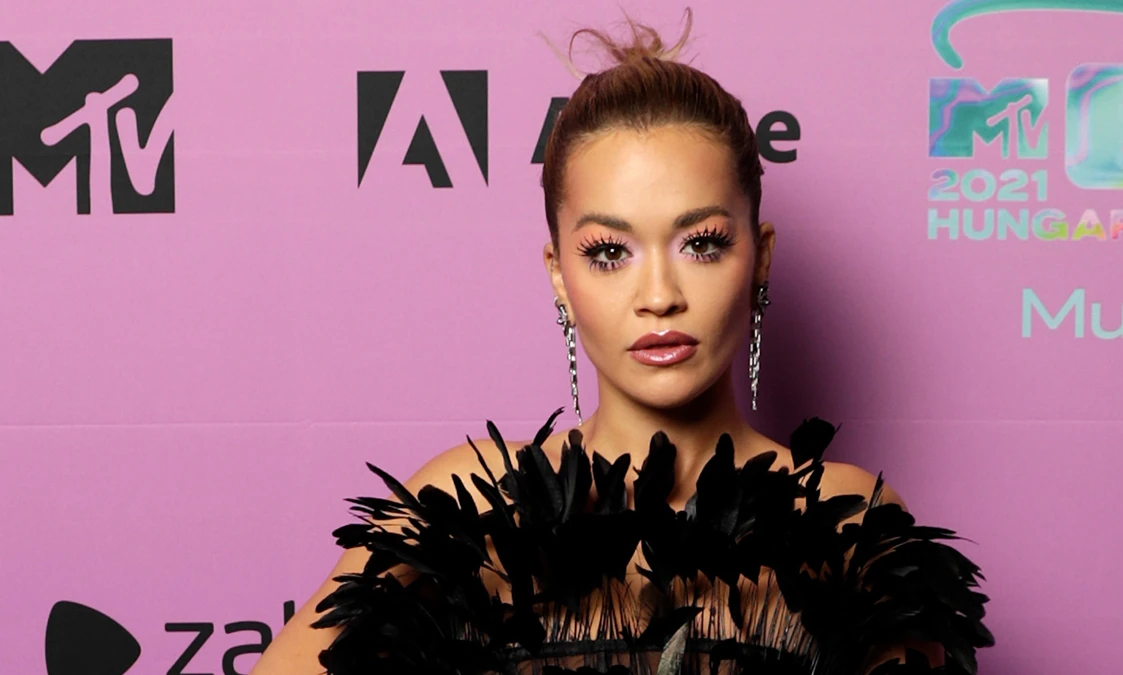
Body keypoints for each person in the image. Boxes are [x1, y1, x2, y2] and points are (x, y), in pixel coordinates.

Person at [250, 9, 994, 675]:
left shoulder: (851, 522)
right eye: (610, 252)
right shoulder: (469, 508)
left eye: (701, 243)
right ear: (559, 273)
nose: (659, 294)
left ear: (760, 256)